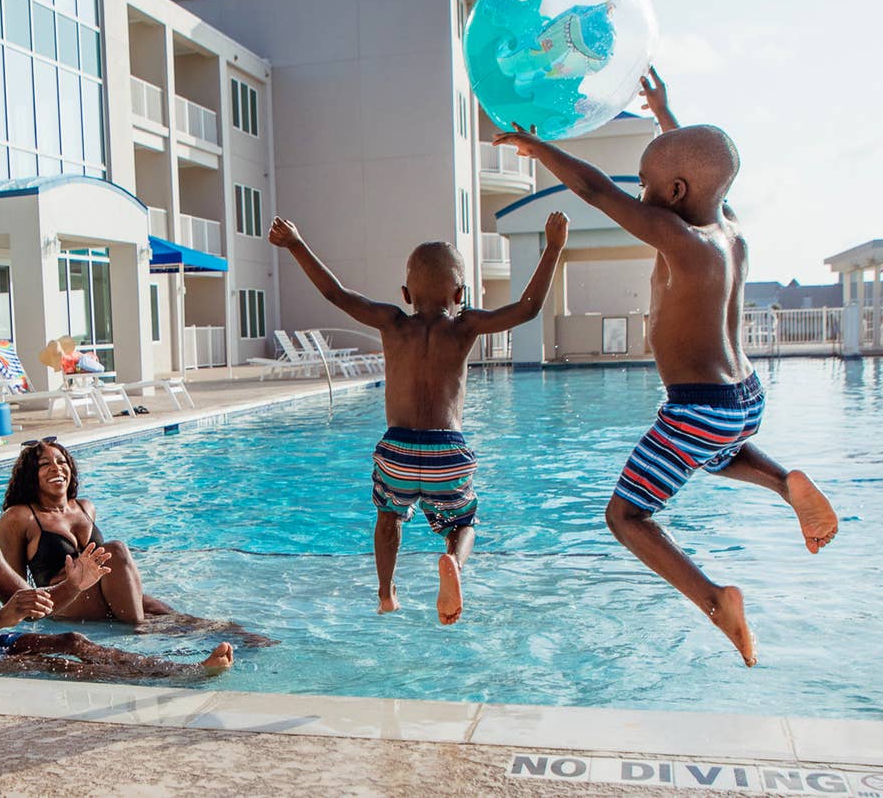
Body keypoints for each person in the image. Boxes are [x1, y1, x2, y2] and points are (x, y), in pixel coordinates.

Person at [492, 66, 839, 666]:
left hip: (697, 405)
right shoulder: (728, 231)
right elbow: (702, 173)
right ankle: (786, 483)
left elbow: (598, 192)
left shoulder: (678, 238)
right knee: (717, 449)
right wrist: (664, 112)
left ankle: (713, 600)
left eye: (648, 183)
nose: (641, 193)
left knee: (626, 516)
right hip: (745, 396)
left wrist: (538, 146)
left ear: (673, 195)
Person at [268, 210, 569, 624]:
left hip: (398, 449)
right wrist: (552, 247)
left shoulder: (392, 322)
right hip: (447, 449)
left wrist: (296, 243)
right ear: (460, 294)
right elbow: (529, 308)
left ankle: (387, 592)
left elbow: (335, 294)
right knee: (463, 523)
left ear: (406, 294)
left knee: (389, 516)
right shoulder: (467, 325)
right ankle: (454, 565)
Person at [0, 447, 234, 679]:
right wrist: (4, 616)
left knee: (72, 640)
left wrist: (75, 584)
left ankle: (178, 671)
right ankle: (171, 680)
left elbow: (37, 609)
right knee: (50, 664)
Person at [0, 437, 273, 646]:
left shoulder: (84, 507)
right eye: (45, 465)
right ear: (31, 476)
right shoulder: (19, 518)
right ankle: (142, 633)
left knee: (167, 613)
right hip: (63, 600)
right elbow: (14, 586)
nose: (57, 468)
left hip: (98, 591)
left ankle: (238, 636)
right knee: (116, 553)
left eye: (61, 461)